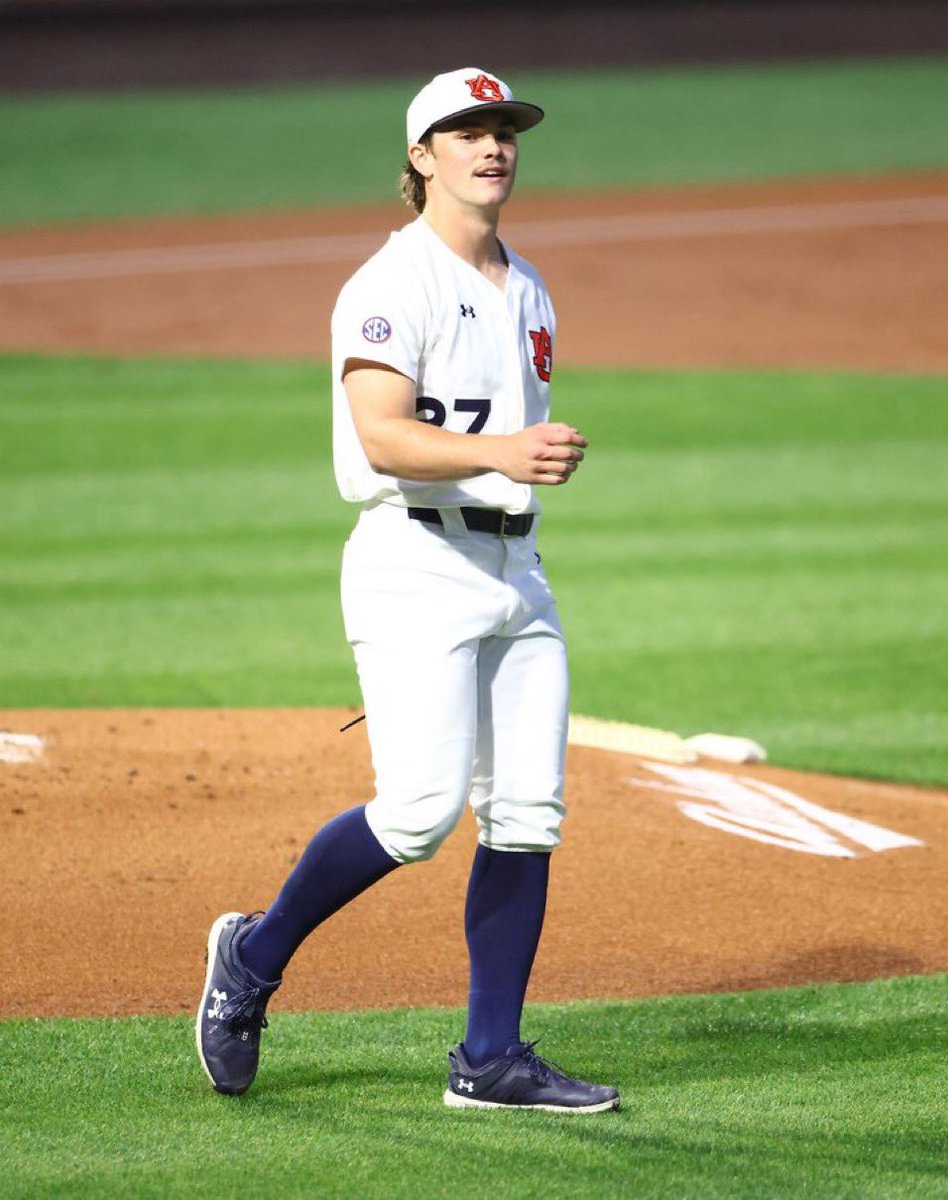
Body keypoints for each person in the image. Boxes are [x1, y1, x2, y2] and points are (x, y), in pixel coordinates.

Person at [196, 67, 620, 1114]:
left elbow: (501, 444)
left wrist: (519, 468)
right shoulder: (391, 284)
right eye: (466, 131)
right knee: (421, 812)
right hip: (414, 565)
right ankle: (252, 957)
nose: (493, 145)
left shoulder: (528, 287)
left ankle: (489, 1060)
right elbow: (381, 438)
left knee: (525, 812)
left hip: (516, 569)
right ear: (421, 157)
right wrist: (505, 452)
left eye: (504, 130)